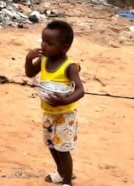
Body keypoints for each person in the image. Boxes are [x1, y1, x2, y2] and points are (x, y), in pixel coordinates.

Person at [24, 21, 85, 186]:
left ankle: (67, 181)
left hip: (65, 115)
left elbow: (80, 90)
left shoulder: (70, 66)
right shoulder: (44, 59)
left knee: (63, 149)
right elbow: (30, 73)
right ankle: (60, 172)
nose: (44, 46)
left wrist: (65, 100)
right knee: (51, 145)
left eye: (50, 43)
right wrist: (29, 59)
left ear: (64, 48)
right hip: (48, 112)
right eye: (43, 41)